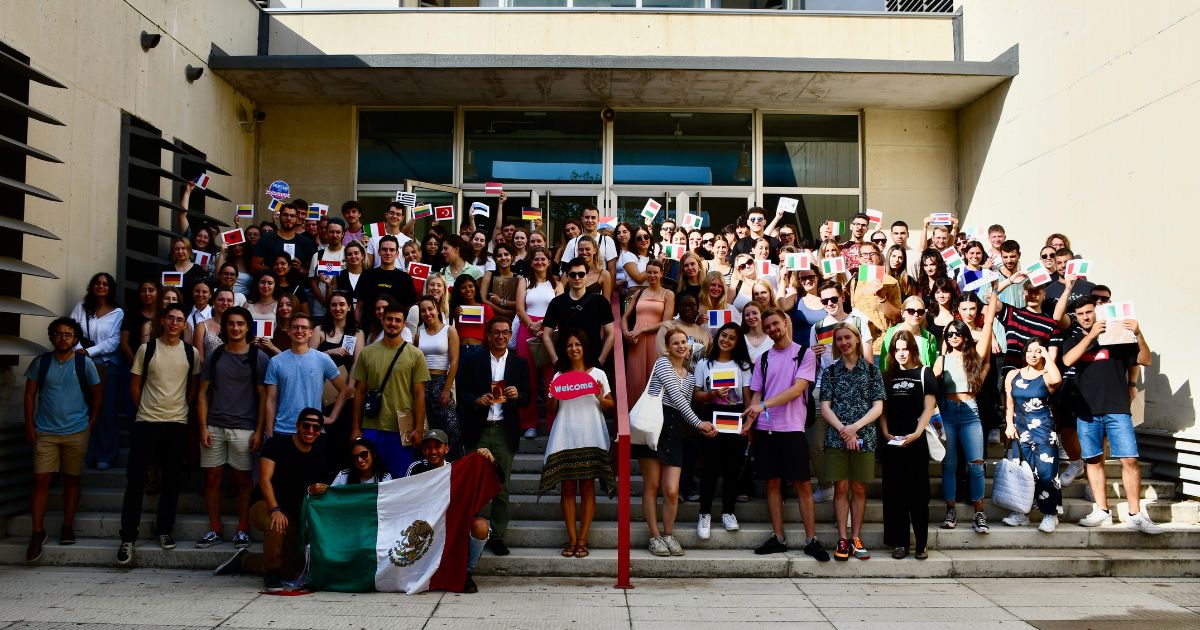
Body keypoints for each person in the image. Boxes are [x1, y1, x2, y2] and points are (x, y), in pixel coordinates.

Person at [1062, 296, 1160, 534]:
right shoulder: (1074, 337)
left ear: (1096, 312)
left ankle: (1135, 514)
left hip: (1117, 407)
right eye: (1081, 314)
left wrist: (1138, 333)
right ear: (1076, 317)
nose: (1086, 317)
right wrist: (1091, 336)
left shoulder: (1117, 337)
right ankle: (1102, 511)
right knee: (1093, 460)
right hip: (1086, 411)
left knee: (1130, 460)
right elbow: (1067, 360)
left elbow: (1144, 359)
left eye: (1089, 312)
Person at [740, 308, 828, 560]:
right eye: (767, 326)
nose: (772, 329)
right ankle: (778, 537)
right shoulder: (764, 359)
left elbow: (797, 389)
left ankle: (811, 539)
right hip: (765, 430)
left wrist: (763, 405)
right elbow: (757, 393)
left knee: (801, 484)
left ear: (786, 323)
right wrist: (750, 421)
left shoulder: (805, 354)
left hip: (792, 428)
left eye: (775, 324)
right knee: (772, 483)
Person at [117, 304, 201, 566]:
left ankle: (165, 529)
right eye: (171, 318)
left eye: (179, 320)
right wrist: (144, 407)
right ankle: (127, 537)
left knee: (172, 480)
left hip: (176, 422)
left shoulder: (192, 352)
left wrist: (182, 409)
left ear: (184, 325)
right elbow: (134, 384)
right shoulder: (147, 348)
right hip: (147, 421)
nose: (175, 323)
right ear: (163, 321)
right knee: (136, 480)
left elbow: (194, 387)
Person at [213, 408, 329, 591]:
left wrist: (311, 490)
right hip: (264, 503)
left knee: (290, 571)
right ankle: (271, 576)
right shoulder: (277, 444)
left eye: (316, 427)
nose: (310, 431)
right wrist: (275, 509)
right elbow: (264, 479)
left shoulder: (320, 454)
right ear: (297, 426)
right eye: (306, 425)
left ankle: (244, 560)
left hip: (292, 515)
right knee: (275, 522)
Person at [23, 318, 102, 563]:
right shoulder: (41, 362)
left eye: (68, 335)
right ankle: (37, 531)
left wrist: (91, 422)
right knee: (41, 479)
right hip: (45, 430)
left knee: (72, 478)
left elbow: (98, 392)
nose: (63, 338)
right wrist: (29, 425)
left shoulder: (83, 362)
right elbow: (29, 394)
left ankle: (67, 525)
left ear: (75, 338)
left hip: (76, 429)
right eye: (58, 334)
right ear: (52, 337)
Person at [635, 328, 717, 558]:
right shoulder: (662, 364)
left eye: (684, 342)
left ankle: (668, 533)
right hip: (654, 426)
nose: (681, 346)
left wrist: (699, 425)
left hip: (675, 432)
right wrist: (700, 423)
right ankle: (654, 536)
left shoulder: (690, 377)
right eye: (676, 343)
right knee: (652, 486)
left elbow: (683, 407)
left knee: (672, 490)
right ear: (667, 347)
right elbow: (678, 400)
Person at [195, 306, 268, 551]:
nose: (235, 328)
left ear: (248, 327)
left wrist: (259, 431)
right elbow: (202, 394)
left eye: (240, 324)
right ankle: (214, 528)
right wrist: (203, 426)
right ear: (224, 327)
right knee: (212, 478)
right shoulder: (215, 356)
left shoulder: (257, 357)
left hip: (244, 428)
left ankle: (242, 529)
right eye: (231, 324)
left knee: (243, 481)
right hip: (214, 426)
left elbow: (263, 398)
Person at [457, 316, 530, 556]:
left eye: (505, 332)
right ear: (488, 335)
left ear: (510, 336)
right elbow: (463, 395)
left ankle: (497, 536)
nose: (501, 336)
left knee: (502, 486)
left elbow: (528, 398)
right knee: (473, 485)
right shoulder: (473, 360)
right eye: (496, 332)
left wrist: (518, 394)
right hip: (478, 430)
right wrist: (477, 400)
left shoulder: (518, 364)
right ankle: (471, 533)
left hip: (503, 430)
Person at [542, 330, 615, 559]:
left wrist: (600, 397)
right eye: (570, 345)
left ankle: (583, 539)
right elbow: (551, 410)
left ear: (585, 347)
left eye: (578, 345)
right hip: (565, 435)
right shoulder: (559, 376)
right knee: (567, 488)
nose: (574, 349)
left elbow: (610, 405)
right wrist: (553, 396)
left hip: (591, 434)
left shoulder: (599, 374)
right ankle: (572, 539)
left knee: (587, 487)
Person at [819, 322, 885, 560]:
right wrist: (843, 430)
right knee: (841, 488)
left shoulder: (872, 371)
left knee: (858, 488)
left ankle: (856, 537)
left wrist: (855, 428)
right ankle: (842, 538)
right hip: (836, 439)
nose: (844, 343)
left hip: (864, 438)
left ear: (857, 339)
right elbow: (824, 407)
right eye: (839, 339)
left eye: (847, 337)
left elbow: (878, 407)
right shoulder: (831, 372)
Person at [405, 429, 498, 594]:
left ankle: (466, 571)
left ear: (446, 449)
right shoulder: (415, 468)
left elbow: (497, 479)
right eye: (428, 447)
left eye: (437, 447)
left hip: (452, 524)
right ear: (423, 450)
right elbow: (405, 498)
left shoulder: (457, 469)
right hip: (424, 525)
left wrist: (490, 460)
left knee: (481, 526)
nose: (433, 451)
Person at [351, 304, 430, 477]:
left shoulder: (415, 355)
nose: (393, 323)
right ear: (382, 320)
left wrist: (419, 429)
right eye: (389, 319)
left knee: (400, 479)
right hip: (371, 425)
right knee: (369, 478)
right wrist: (355, 427)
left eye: (397, 320)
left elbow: (419, 395)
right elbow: (360, 392)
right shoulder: (367, 352)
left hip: (402, 428)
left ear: (404, 324)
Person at [933, 318, 996, 534]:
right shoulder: (942, 359)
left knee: (976, 464)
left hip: (970, 412)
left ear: (965, 335)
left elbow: (987, 329)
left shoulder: (973, 356)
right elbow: (932, 381)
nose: (953, 337)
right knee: (949, 464)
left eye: (957, 334)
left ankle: (979, 513)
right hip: (948, 412)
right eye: (949, 334)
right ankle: (950, 510)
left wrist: (996, 292)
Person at [692, 323, 752, 540]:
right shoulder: (704, 364)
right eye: (723, 335)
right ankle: (704, 513)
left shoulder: (743, 365)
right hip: (712, 416)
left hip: (735, 418)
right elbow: (697, 395)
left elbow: (746, 396)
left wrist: (749, 423)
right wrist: (712, 394)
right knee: (710, 467)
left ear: (738, 342)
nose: (726, 340)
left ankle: (728, 512)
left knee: (733, 468)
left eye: (731, 338)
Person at [879, 330, 936, 560]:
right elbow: (881, 409)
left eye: (905, 349)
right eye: (897, 349)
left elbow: (928, 408)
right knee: (895, 495)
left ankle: (921, 544)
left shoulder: (924, 373)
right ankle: (900, 543)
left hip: (916, 441)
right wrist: (885, 433)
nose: (901, 354)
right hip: (892, 442)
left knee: (919, 494)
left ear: (913, 349)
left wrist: (915, 434)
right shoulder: (887, 375)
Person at [1001, 340, 1065, 532]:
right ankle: (1022, 513)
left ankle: (1050, 514)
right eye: (1030, 351)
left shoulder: (1046, 375)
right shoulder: (1013, 374)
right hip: (1020, 429)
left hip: (1043, 429)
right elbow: (1009, 402)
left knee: (1047, 472)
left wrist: (1047, 355)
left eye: (1038, 351)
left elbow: (1057, 380)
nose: (1033, 354)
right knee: (1024, 471)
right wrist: (1009, 425)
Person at [69, 272, 124, 471]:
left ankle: (105, 454)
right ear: (92, 286)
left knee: (105, 412)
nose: (101, 286)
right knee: (83, 410)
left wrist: (89, 351)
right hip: (81, 365)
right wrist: (79, 353)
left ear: (110, 288)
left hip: (106, 366)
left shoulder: (117, 312)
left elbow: (114, 341)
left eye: (105, 284)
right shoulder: (81, 307)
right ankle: (85, 454)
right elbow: (71, 331)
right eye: (98, 283)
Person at [265, 312, 348, 436]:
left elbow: (344, 390)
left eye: (304, 328)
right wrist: (269, 432)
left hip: (313, 430)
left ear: (311, 332)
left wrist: (332, 417)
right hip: (283, 429)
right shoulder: (276, 361)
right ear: (288, 331)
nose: (299, 330)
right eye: (295, 327)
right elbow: (271, 400)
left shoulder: (323, 359)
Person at [515, 247, 561, 438]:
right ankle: (529, 424)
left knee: (552, 380)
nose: (540, 262)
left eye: (543, 259)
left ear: (549, 262)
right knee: (528, 380)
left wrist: (543, 325)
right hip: (527, 330)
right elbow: (519, 308)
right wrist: (532, 325)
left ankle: (553, 425)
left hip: (550, 330)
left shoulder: (557, 284)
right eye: (536, 259)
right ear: (531, 262)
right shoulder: (524, 281)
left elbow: (559, 307)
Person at [541, 257, 615, 367]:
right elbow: (547, 335)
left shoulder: (600, 301)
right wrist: (555, 360)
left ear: (587, 275)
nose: (577, 278)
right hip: (565, 363)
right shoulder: (557, 303)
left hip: (593, 363)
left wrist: (601, 360)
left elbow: (611, 334)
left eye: (581, 274)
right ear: (567, 276)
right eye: (572, 275)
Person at [415, 296, 462, 457]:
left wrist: (446, 388)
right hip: (422, 383)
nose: (427, 313)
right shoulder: (419, 334)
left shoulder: (449, 330)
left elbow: (454, 362)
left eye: (430, 308)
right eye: (423, 310)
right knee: (429, 430)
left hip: (442, 381)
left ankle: (454, 464)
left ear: (437, 309)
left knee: (450, 427)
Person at [622, 259, 673, 401]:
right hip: (636, 340)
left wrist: (643, 331)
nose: (652, 275)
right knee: (635, 377)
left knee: (653, 378)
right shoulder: (639, 293)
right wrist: (626, 332)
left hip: (656, 339)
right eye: (649, 272)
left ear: (661, 273)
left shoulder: (668, 294)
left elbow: (667, 322)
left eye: (655, 272)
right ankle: (631, 417)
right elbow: (625, 317)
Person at [846, 241, 901, 359]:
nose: (868, 257)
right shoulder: (854, 281)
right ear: (859, 259)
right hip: (858, 347)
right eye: (864, 254)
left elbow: (896, 317)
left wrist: (881, 297)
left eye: (872, 254)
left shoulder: (890, 282)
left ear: (879, 257)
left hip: (880, 348)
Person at [354, 235, 419, 324]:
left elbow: (410, 309)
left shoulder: (405, 278)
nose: (388, 253)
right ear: (379, 252)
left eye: (392, 250)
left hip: (396, 331)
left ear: (397, 254)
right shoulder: (367, 275)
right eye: (384, 249)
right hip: (369, 331)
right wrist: (358, 329)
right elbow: (359, 307)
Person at [879, 296, 939, 371]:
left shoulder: (929, 338)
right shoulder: (891, 333)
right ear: (902, 313)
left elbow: (931, 368)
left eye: (920, 311)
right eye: (911, 311)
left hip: (919, 380)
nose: (916, 314)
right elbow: (884, 365)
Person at [254, 203, 317, 275]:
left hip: (297, 285)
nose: (289, 218)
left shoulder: (305, 242)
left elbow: (313, 271)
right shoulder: (267, 238)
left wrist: (301, 270)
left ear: (297, 219)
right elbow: (254, 267)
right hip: (273, 285)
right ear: (280, 216)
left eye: (292, 216)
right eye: (285, 215)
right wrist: (274, 269)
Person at [559, 206, 619, 279]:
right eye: (587, 217)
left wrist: (609, 290)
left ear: (598, 220)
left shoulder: (607, 241)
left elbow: (612, 271)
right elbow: (565, 270)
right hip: (577, 286)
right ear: (582, 219)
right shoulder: (572, 243)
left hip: (600, 287)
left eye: (593, 217)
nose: (590, 220)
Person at [308, 217, 347, 319]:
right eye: (332, 232)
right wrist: (324, 301)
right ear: (327, 232)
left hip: (342, 310)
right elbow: (312, 280)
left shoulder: (348, 254)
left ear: (343, 234)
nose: (335, 235)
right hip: (320, 310)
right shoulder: (318, 255)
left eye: (338, 232)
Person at [366, 202, 413, 268]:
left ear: (402, 218)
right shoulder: (373, 239)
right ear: (386, 214)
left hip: (400, 277)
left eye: (398, 214)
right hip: (378, 277)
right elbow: (367, 266)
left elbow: (412, 265)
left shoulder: (408, 241)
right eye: (392, 213)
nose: (394, 216)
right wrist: (364, 247)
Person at [482, 242, 520, 321]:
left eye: (506, 254)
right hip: (491, 318)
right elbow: (482, 299)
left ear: (512, 257)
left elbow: (522, 303)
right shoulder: (489, 274)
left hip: (514, 319)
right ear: (495, 259)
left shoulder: (519, 278)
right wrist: (504, 312)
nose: (503, 258)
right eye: (499, 255)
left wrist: (500, 302)